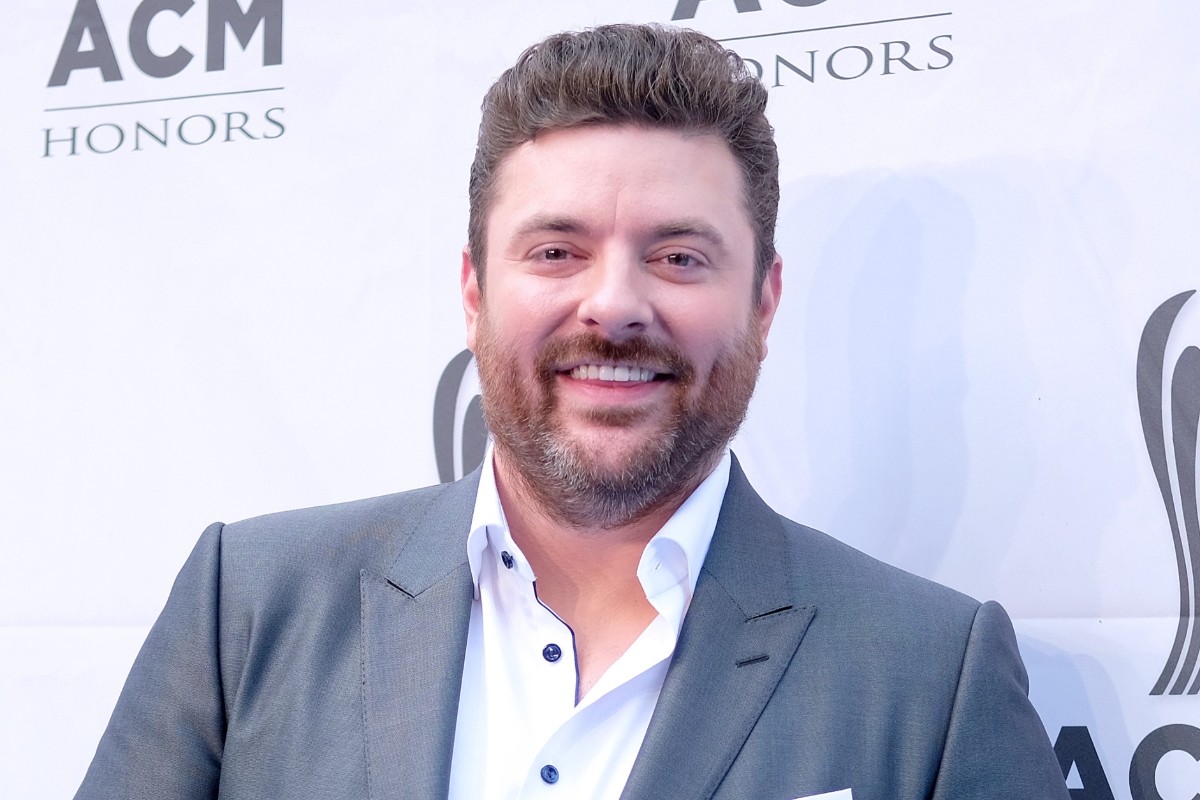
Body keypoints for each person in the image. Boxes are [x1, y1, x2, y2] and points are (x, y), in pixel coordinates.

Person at [76, 24, 1070, 800]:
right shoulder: (247, 608)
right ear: (473, 293)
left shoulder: (932, 674)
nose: (615, 304)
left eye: (679, 256)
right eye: (556, 251)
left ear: (763, 304)